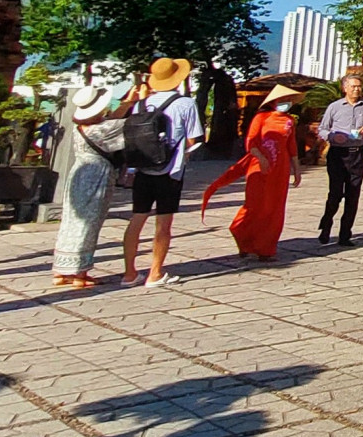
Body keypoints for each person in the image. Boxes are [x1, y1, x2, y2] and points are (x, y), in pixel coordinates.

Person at [122, 58, 204, 287]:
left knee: (137, 218)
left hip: (142, 167)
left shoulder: (140, 104)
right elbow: (192, 137)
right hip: (171, 170)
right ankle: (155, 273)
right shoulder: (185, 103)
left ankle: (129, 273)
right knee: (163, 223)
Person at [204, 82, 304, 260]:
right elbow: (251, 141)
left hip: (279, 169)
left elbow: (292, 146)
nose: (286, 102)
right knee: (255, 204)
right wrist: (261, 157)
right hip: (259, 167)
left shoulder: (289, 121)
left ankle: (266, 248)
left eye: (288, 100)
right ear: (273, 101)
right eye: (282, 99)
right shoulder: (262, 118)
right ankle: (243, 237)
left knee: (274, 207)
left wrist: (296, 169)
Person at [50, 81, 135, 289]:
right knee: (89, 222)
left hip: (78, 172)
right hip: (97, 174)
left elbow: (111, 120)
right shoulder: (101, 129)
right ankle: (80, 273)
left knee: (72, 221)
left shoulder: (82, 128)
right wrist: (134, 104)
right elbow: (126, 125)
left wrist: (128, 101)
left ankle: (61, 270)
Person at [317, 73, 363, 246]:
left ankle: (345, 234)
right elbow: (322, 129)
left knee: (353, 194)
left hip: (358, 153)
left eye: (359, 86)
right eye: (353, 86)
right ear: (345, 88)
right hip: (338, 154)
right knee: (335, 194)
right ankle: (326, 224)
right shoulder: (335, 107)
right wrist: (333, 137)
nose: (357, 89)